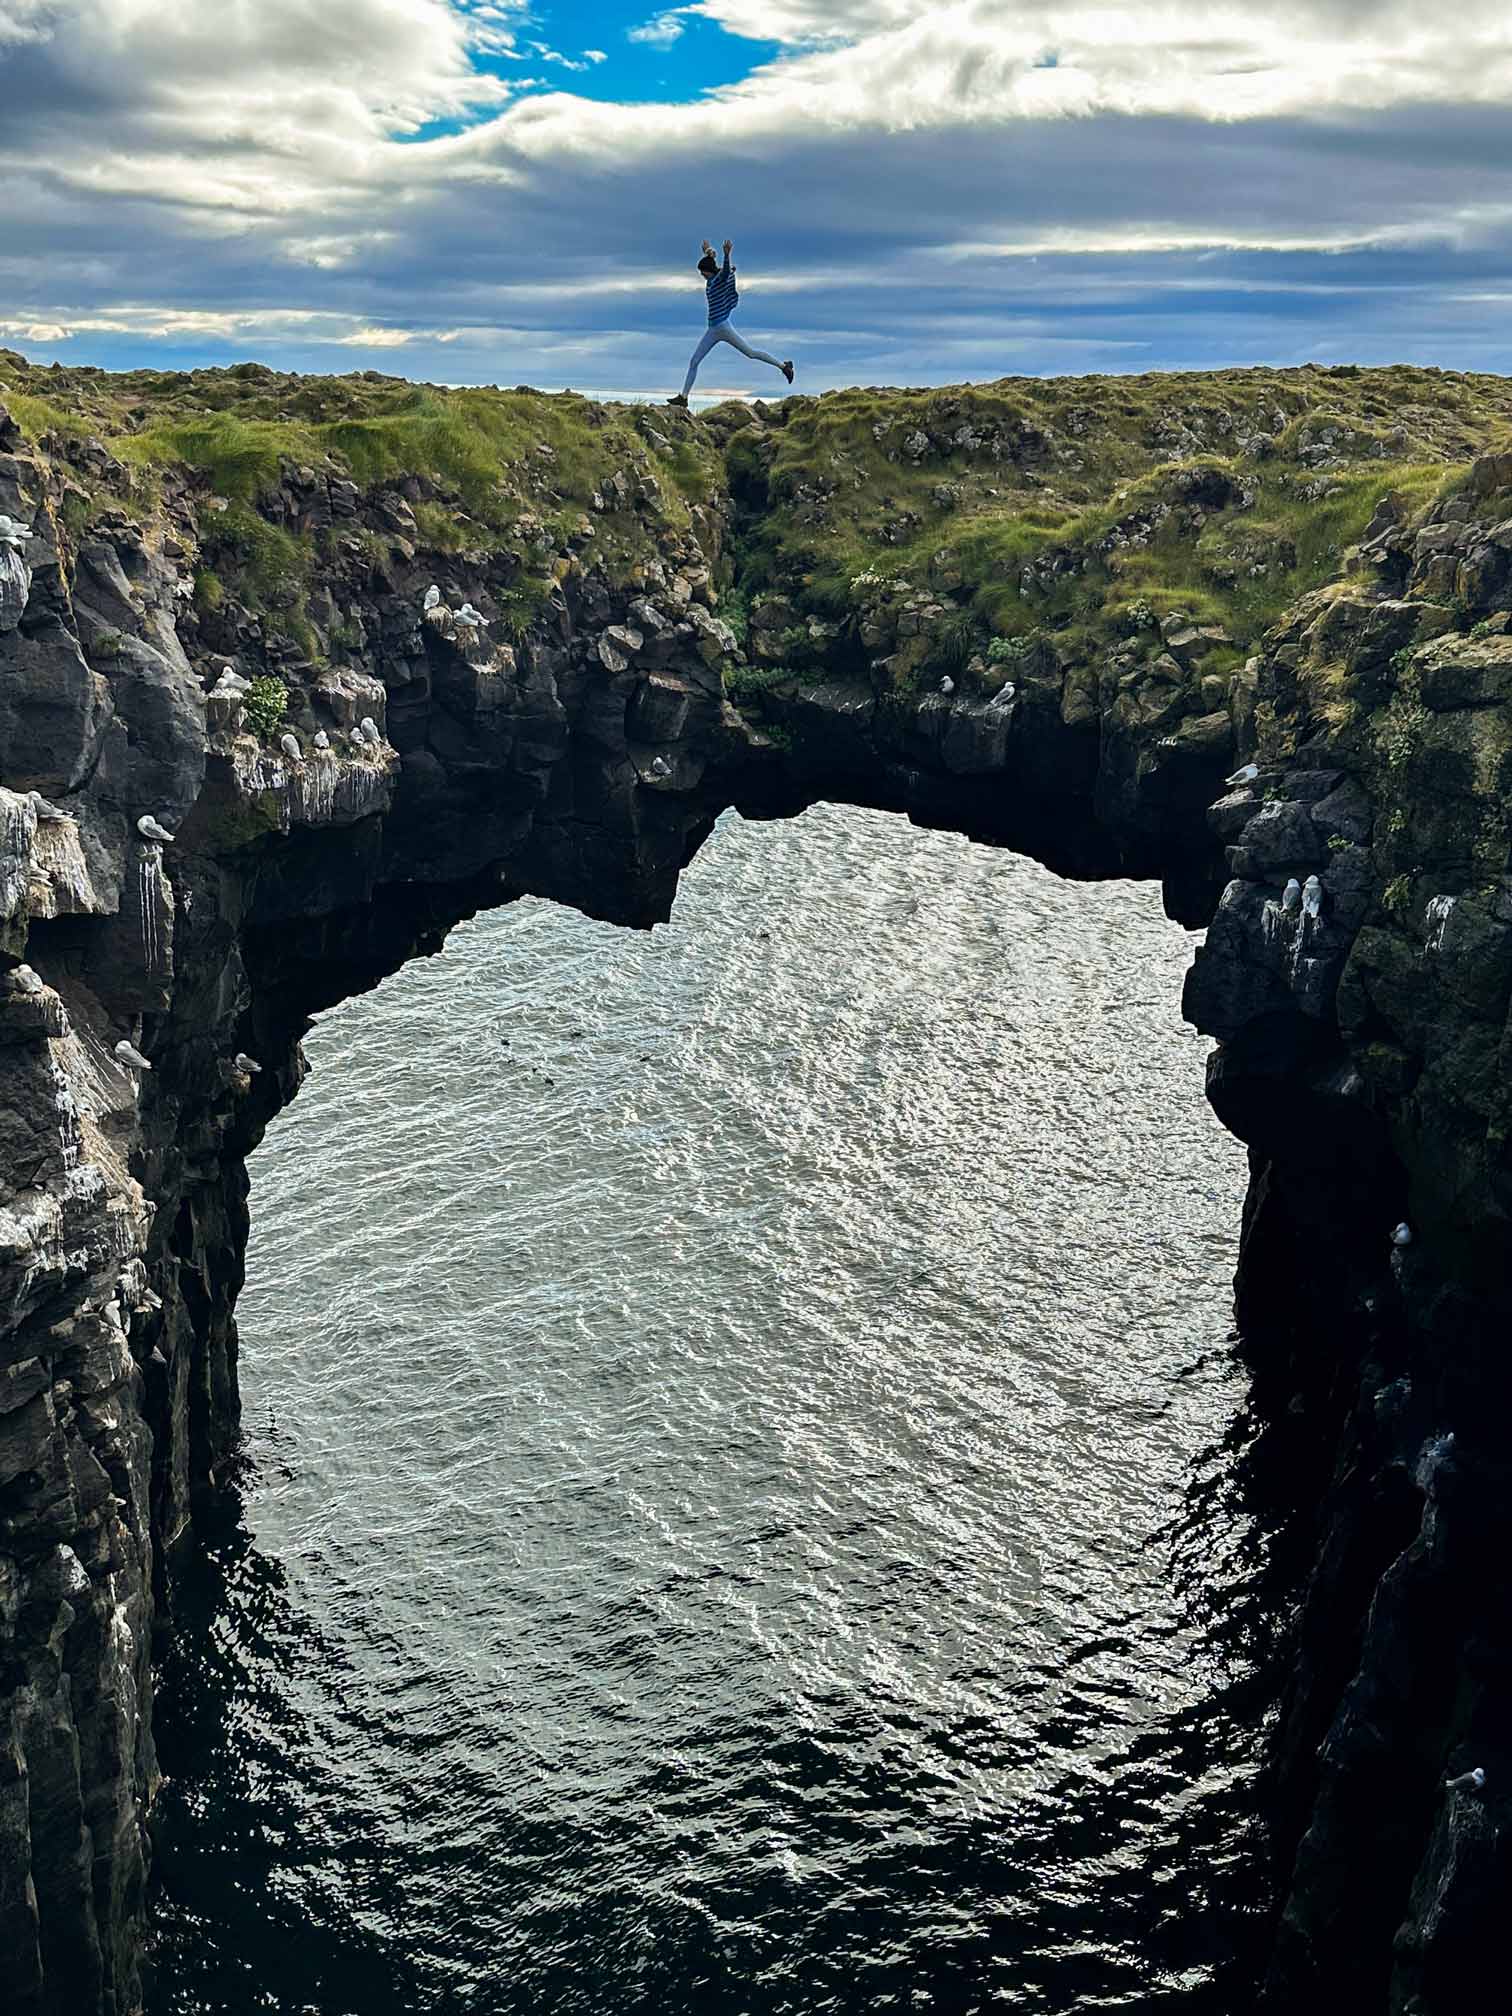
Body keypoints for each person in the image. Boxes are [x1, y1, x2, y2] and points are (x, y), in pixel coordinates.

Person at [668, 239, 794, 407]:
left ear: (708, 271)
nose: (701, 275)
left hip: (723, 328)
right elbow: (712, 258)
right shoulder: (711, 279)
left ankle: (784, 366)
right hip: (713, 329)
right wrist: (708, 251)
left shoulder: (719, 280)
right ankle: (683, 398)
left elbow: (726, 271)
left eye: (702, 272)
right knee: (694, 361)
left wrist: (727, 255)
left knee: (750, 353)